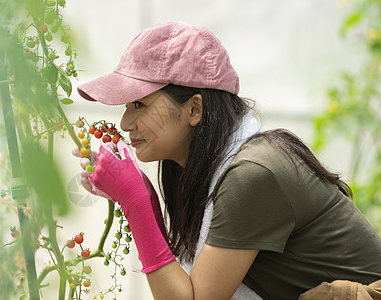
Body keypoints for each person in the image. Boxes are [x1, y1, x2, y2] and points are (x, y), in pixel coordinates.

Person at [72, 21, 381, 300]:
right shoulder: (201, 171)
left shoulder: (253, 175)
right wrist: (148, 200)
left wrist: (135, 203)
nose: (125, 123)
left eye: (140, 104)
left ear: (195, 110)